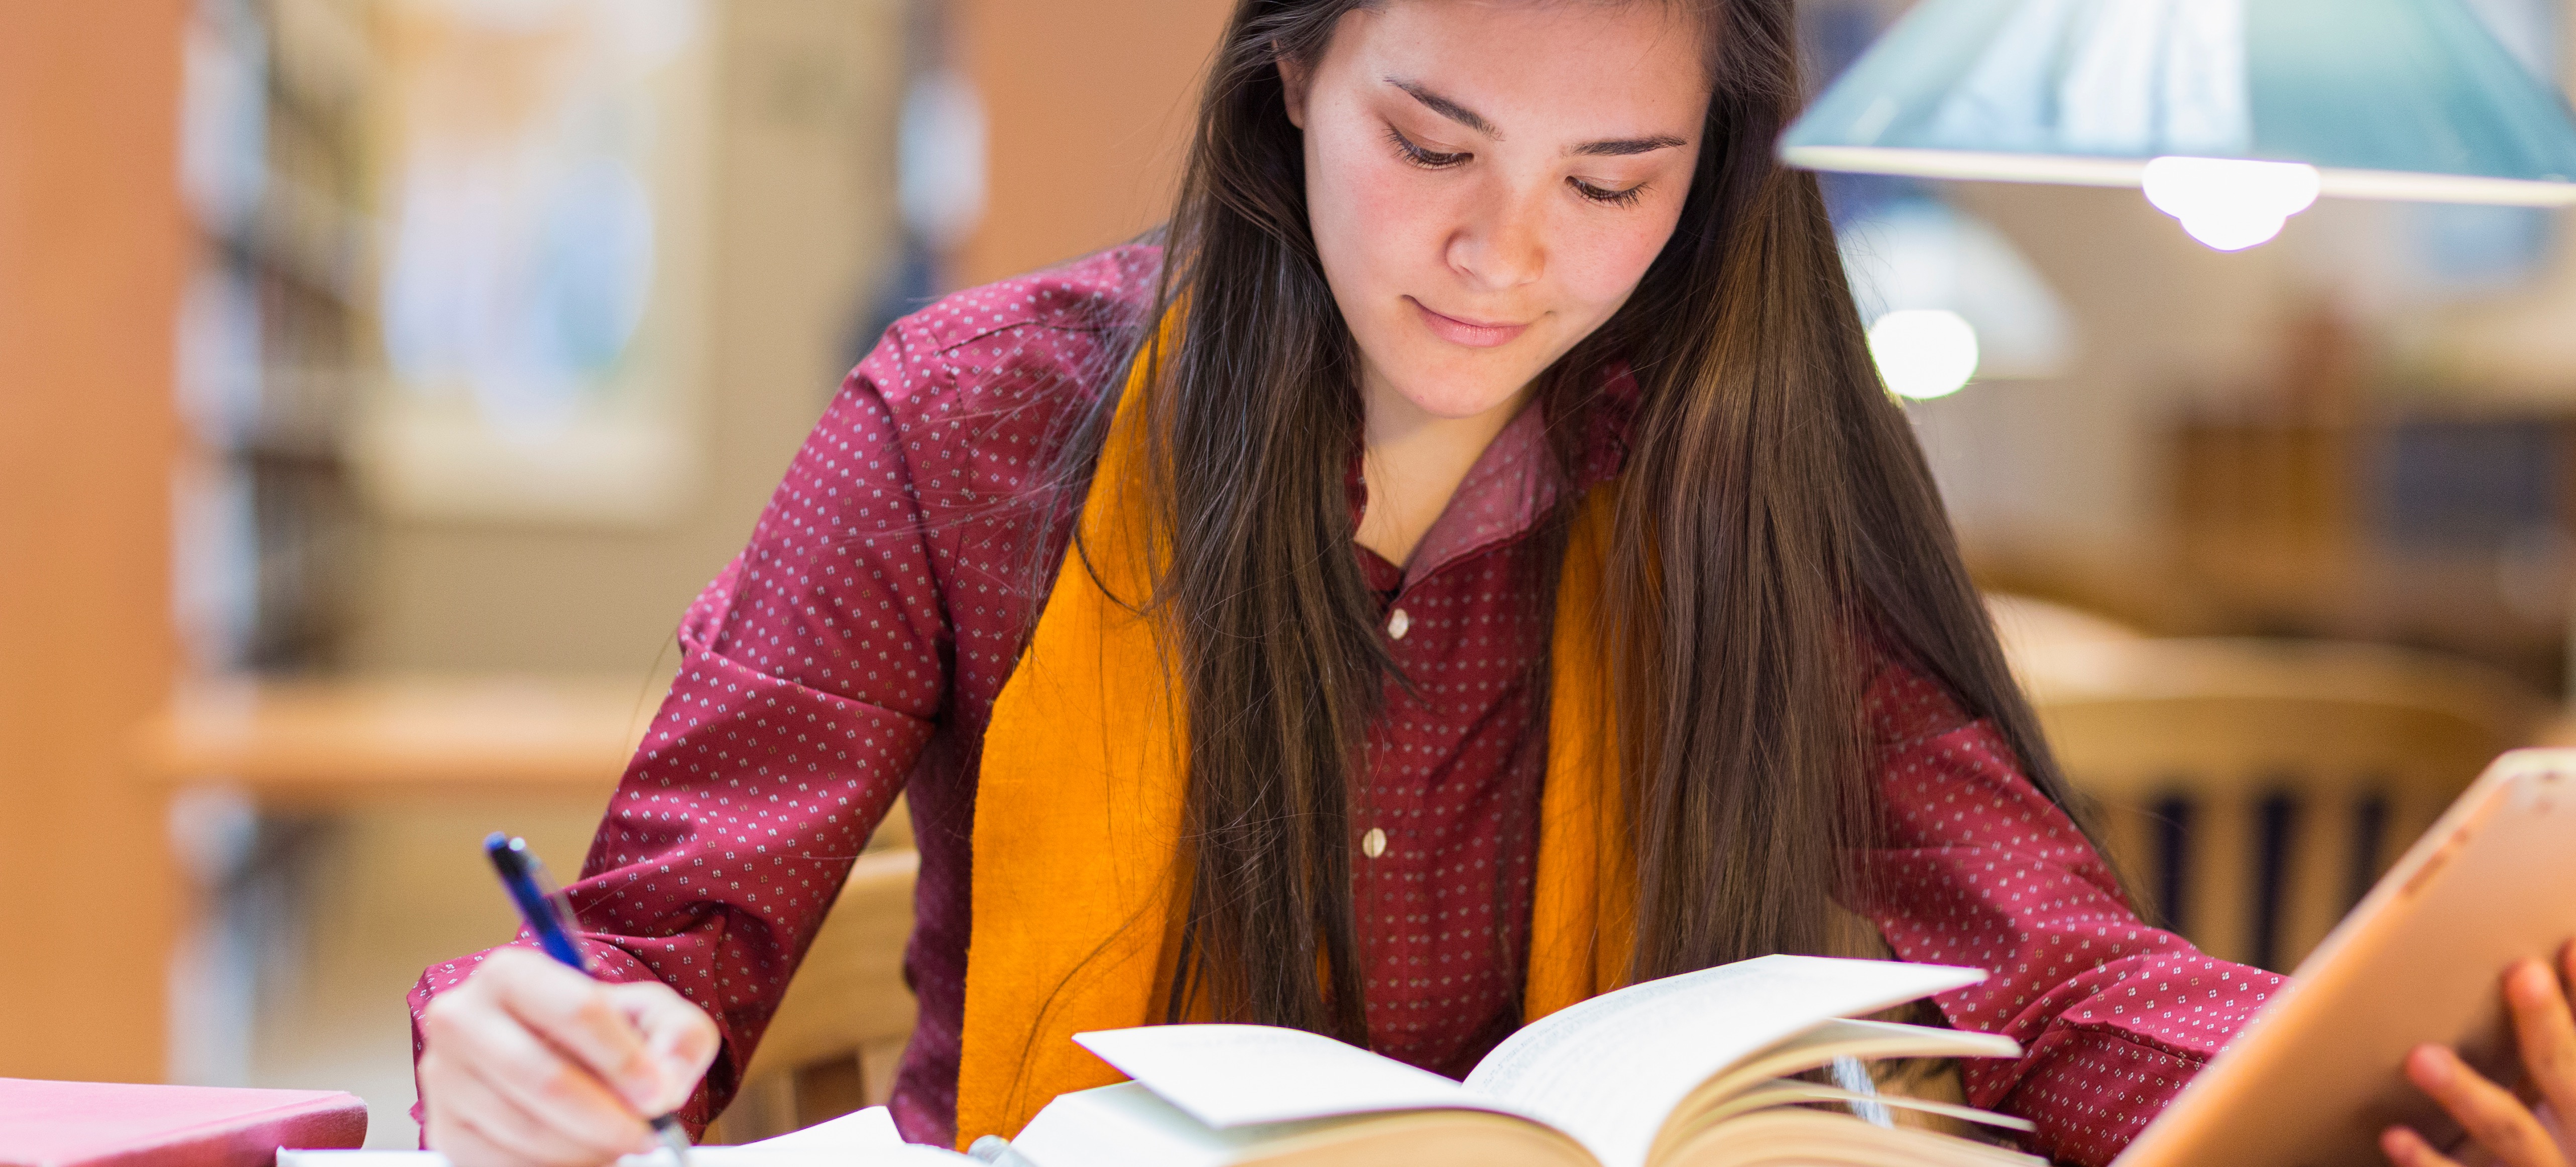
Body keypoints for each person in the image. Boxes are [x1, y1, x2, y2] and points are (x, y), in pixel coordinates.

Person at [406, 3, 2576, 1165]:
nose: (1503, 254)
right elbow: (646, 950)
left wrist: (2373, 1086)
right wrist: (536, 1048)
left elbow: (2055, 967)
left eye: (1608, 180)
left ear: (1703, 179)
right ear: (1286, 86)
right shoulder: (971, 424)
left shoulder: (1742, 465)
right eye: (1430, 145)